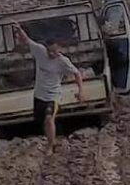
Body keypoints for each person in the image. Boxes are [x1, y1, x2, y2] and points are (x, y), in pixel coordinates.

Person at [12, 22, 85, 152]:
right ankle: (52, 139)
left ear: (59, 49)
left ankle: (51, 146)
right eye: (49, 51)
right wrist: (19, 30)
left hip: (53, 96)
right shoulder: (39, 51)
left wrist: (81, 91)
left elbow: (77, 73)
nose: (51, 54)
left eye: (54, 51)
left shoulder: (63, 61)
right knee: (42, 121)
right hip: (39, 95)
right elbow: (26, 39)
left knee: (49, 118)